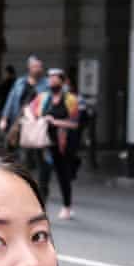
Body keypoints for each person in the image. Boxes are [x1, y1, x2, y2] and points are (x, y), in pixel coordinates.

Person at [28, 68, 80, 220]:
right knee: (43, 176)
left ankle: (67, 207)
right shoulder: (43, 97)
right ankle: (41, 209)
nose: (52, 81)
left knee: (63, 175)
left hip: (62, 144)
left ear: (62, 82)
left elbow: (74, 123)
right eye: (50, 79)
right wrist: (34, 119)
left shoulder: (70, 99)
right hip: (44, 143)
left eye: (55, 79)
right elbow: (29, 109)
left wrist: (55, 121)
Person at [0, 55, 48, 161]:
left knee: (36, 150)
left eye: (40, 66)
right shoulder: (20, 82)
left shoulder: (46, 84)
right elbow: (10, 100)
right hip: (19, 120)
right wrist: (4, 118)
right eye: (35, 66)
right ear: (29, 67)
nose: (38, 69)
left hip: (36, 122)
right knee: (19, 149)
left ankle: (33, 166)